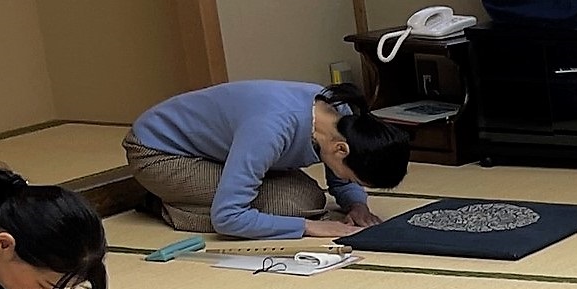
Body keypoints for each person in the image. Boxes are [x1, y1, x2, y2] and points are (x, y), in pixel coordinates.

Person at [123, 81, 409, 240]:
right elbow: (228, 218)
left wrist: (357, 204)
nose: (349, 182)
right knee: (292, 207)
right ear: (341, 150)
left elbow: (340, 178)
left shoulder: (342, 116)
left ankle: (188, 194)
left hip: (217, 152)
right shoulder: (270, 129)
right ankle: (165, 202)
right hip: (160, 154)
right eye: (353, 179)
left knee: (307, 197)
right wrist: (307, 228)